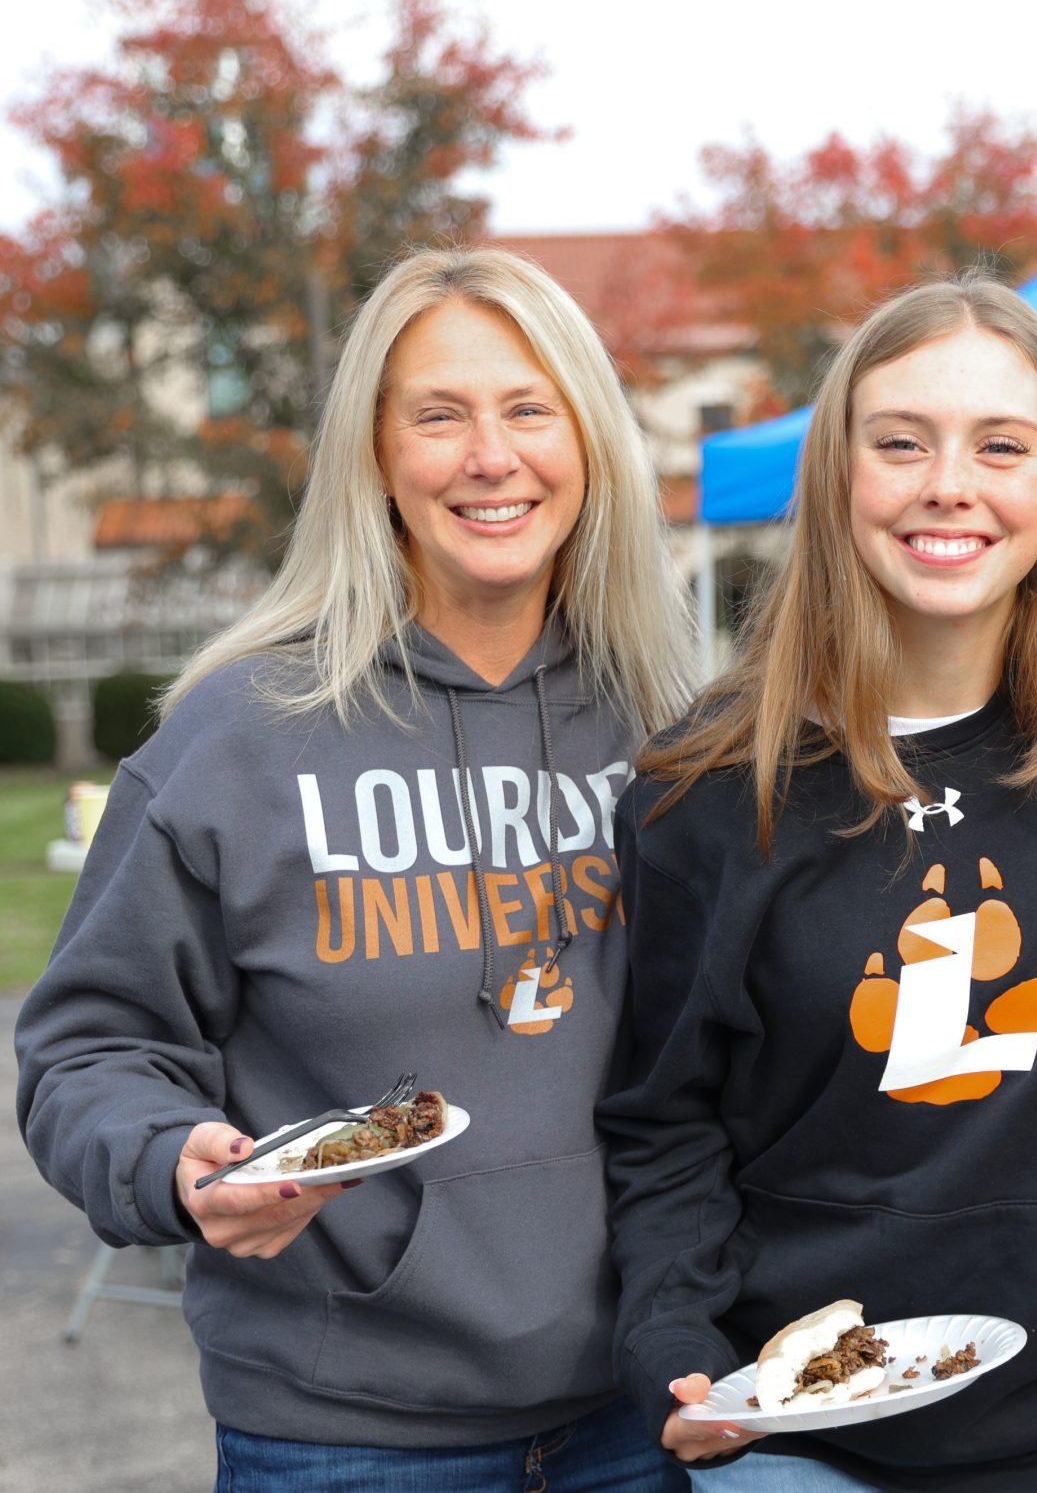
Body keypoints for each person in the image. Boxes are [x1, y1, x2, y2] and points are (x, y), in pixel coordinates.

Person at [15, 248, 695, 1488]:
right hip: (343, 1433)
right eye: (439, 415)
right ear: (375, 458)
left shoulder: (670, 727)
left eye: (529, 408)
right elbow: (89, 1048)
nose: (491, 456)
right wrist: (171, 1158)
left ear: (590, 443)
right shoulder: (240, 736)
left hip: (641, 1411)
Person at [598, 276, 1037, 1493]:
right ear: (835, 479)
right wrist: (674, 1352)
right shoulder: (705, 785)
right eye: (899, 442)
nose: (947, 486)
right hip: (800, 1430)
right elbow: (660, 1122)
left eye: (1002, 446)